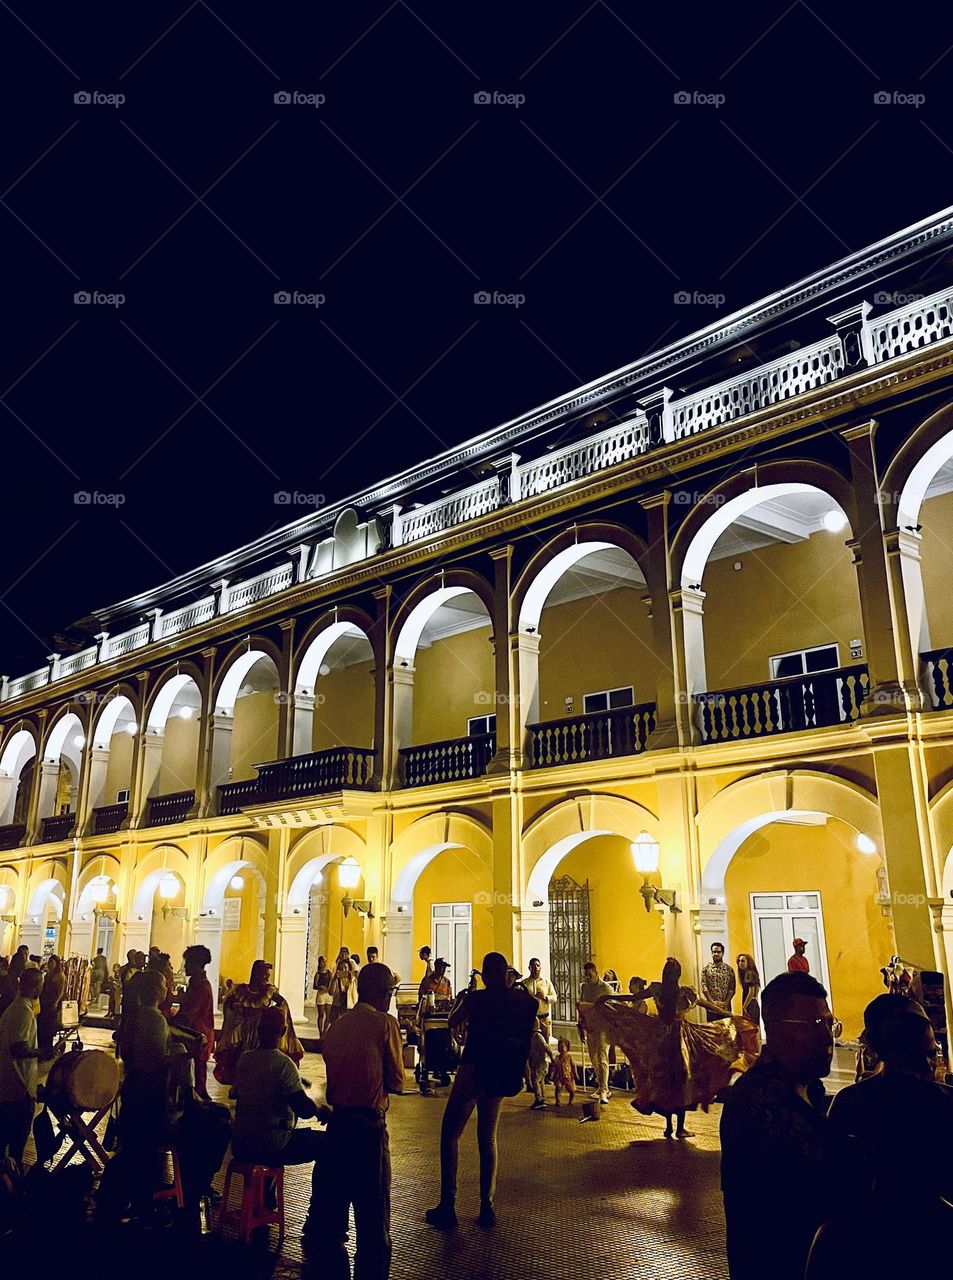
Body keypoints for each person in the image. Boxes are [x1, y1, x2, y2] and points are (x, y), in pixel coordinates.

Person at [807, 995, 953, 1276]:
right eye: (927, 1053)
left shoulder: (849, 1101)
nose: (930, 1063)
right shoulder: (943, 1102)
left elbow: (832, 1183)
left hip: (857, 1243)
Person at [720, 970, 835, 1280]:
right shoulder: (755, 1103)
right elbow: (807, 1194)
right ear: (777, 1030)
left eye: (829, 1023)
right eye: (814, 1025)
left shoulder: (814, 1090)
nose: (828, 1037)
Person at [426, 952, 537, 1230]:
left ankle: (447, 1204)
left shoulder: (478, 999)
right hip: (501, 1071)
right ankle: (486, 1205)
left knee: (450, 1134)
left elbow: (453, 1020)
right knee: (487, 1138)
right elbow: (532, 1009)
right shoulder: (521, 1000)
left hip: (474, 1069)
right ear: (507, 974)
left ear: (487, 976)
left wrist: (467, 995)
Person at [306, 962, 403, 1278]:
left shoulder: (336, 1027)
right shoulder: (383, 1024)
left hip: (338, 1129)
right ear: (383, 992)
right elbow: (397, 1081)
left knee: (332, 1225)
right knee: (373, 1224)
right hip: (368, 1129)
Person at [233, 1005, 324, 1202]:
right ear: (283, 1031)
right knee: (327, 1145)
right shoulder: (284, 1064)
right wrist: (320, 1109)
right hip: (270, 1144)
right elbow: (304, 1109)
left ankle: (264, 1199)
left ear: (258, 1029)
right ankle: (321, 1212)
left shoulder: (244, 1059)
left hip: (241, 1143)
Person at [214, 959, 303, 1085]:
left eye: (268, 975)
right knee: (242, 1058)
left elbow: (283, 1003)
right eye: (264, 974)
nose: (266, 978)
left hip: (261, 1031)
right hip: (245, 1032)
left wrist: (272, 1012)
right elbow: (228, 1003)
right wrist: (234, 1008)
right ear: (256, 974)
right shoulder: (242, 990)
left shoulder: (269, 991)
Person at [0, 968, 42, 1167]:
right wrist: (41, 1052)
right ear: (35, 986)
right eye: (40, 983)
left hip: (10, 1086)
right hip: (18, 1087)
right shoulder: (23, 1012)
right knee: (16, 1144)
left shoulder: (15, 1009)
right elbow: (18, 1047)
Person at [175, 944, 215, 1099]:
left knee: (197, 1082)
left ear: (197, 964)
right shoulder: (196, 984)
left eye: (188, 962)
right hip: (198, 1035)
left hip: (197, 1037)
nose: (185, 966)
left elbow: (190, 1014)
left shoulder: (201, 986)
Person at [577, 961, 613, 1104]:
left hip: (603, 1028)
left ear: (596, 973)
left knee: (602, 1057)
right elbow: (581, 1007)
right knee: (593, 1058)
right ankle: (601, 1086)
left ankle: (604, 1089)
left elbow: (611, 1008)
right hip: (590, 1028)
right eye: (585, 976)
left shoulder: (606, 988)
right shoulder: (584, 987)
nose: (587, 978)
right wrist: (581, 1025)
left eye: (590, 975)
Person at [417, 958, 454, 1095]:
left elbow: (450, 998)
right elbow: (420, 998)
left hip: (443, 1017)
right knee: (429, 1041)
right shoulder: (426, 981)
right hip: (429, 1017)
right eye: (441, 967)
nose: (443, 970)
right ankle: (429, 1066)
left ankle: (442, 1066)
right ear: (437, 967)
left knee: (445, 1039)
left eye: (445, 968)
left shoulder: (447, 982)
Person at [37, 953, 64, 1060]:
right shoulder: (48, 974)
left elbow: (58, 992)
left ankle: (47, 1053)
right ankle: (42, 1052)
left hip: (51, 1007)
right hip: (44, 1005)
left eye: (52, 962)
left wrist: (54, 1003)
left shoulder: (59, 976)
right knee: (42, 1030)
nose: (49, 964)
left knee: (47, 1031)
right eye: (49, 962)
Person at [701, 942, 736, 1022]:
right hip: (711, 1008)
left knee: (726, 1032)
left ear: (722, 953)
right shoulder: (706, 969)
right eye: (714, 952)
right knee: (712, 1032)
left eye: (718, 952)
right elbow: (704, 986)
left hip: (725, 1008)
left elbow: (732, 989)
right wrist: (711, 1002)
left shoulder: (729, 970)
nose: (716, 954)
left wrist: (726, 1002)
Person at [525, 957, 558, 1038]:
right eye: (533, 965)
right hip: (531, 1020)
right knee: (532, 1045)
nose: (536, 967)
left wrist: (545, 997)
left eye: (537, 965)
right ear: (529, 968)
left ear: (540, 967)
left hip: (544, 1019)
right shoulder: (525, 983)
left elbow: (554, 997)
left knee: (545, 1044)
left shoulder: (546, 982)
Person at [527, 1017, 554, 1110]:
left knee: (536, 1080)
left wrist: (552, 1057)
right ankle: (542, 1098)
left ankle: (539, 1099)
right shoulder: (534, 1037)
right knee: (540, 1081)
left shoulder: (537, 1036)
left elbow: (546, 1046)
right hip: (537, 1062)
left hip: (541, 1062)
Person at [736, 953, 761, 1030]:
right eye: (739, 961)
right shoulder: (748, 974)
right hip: (751, 1003)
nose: (740, 963)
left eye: (743, 961)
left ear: (748, 962)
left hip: (750, 1004)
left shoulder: (749, 974)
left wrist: (744, 1006)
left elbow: (751, 992)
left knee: (750, 1028)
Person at [552, 1036, 576, 1106]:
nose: (562, 1048)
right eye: (560, 1046)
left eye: (564, 1046)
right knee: (558, 1089)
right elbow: (554, 1067)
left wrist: (575, 1074)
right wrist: (552, 1074)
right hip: (559, 1076)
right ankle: (558, 1101)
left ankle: (571, 1101)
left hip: (568, 1076)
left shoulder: (569, 1057)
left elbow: (573, 1066)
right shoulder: (557, 1057)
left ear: (567, 1047)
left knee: (572, 1090)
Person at [313, 956, 333, 1037]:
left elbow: (332, 982)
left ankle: (325, 1031)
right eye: (322, 961)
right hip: (321, 994)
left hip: (328, 994)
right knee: (321, 1014)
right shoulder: (318, 974)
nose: (323, 963)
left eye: (325, 961)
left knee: (328, 1015)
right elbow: (315, 985)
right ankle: (320, 1032)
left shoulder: (329, 973)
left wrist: (328, 988)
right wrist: (320, 987)